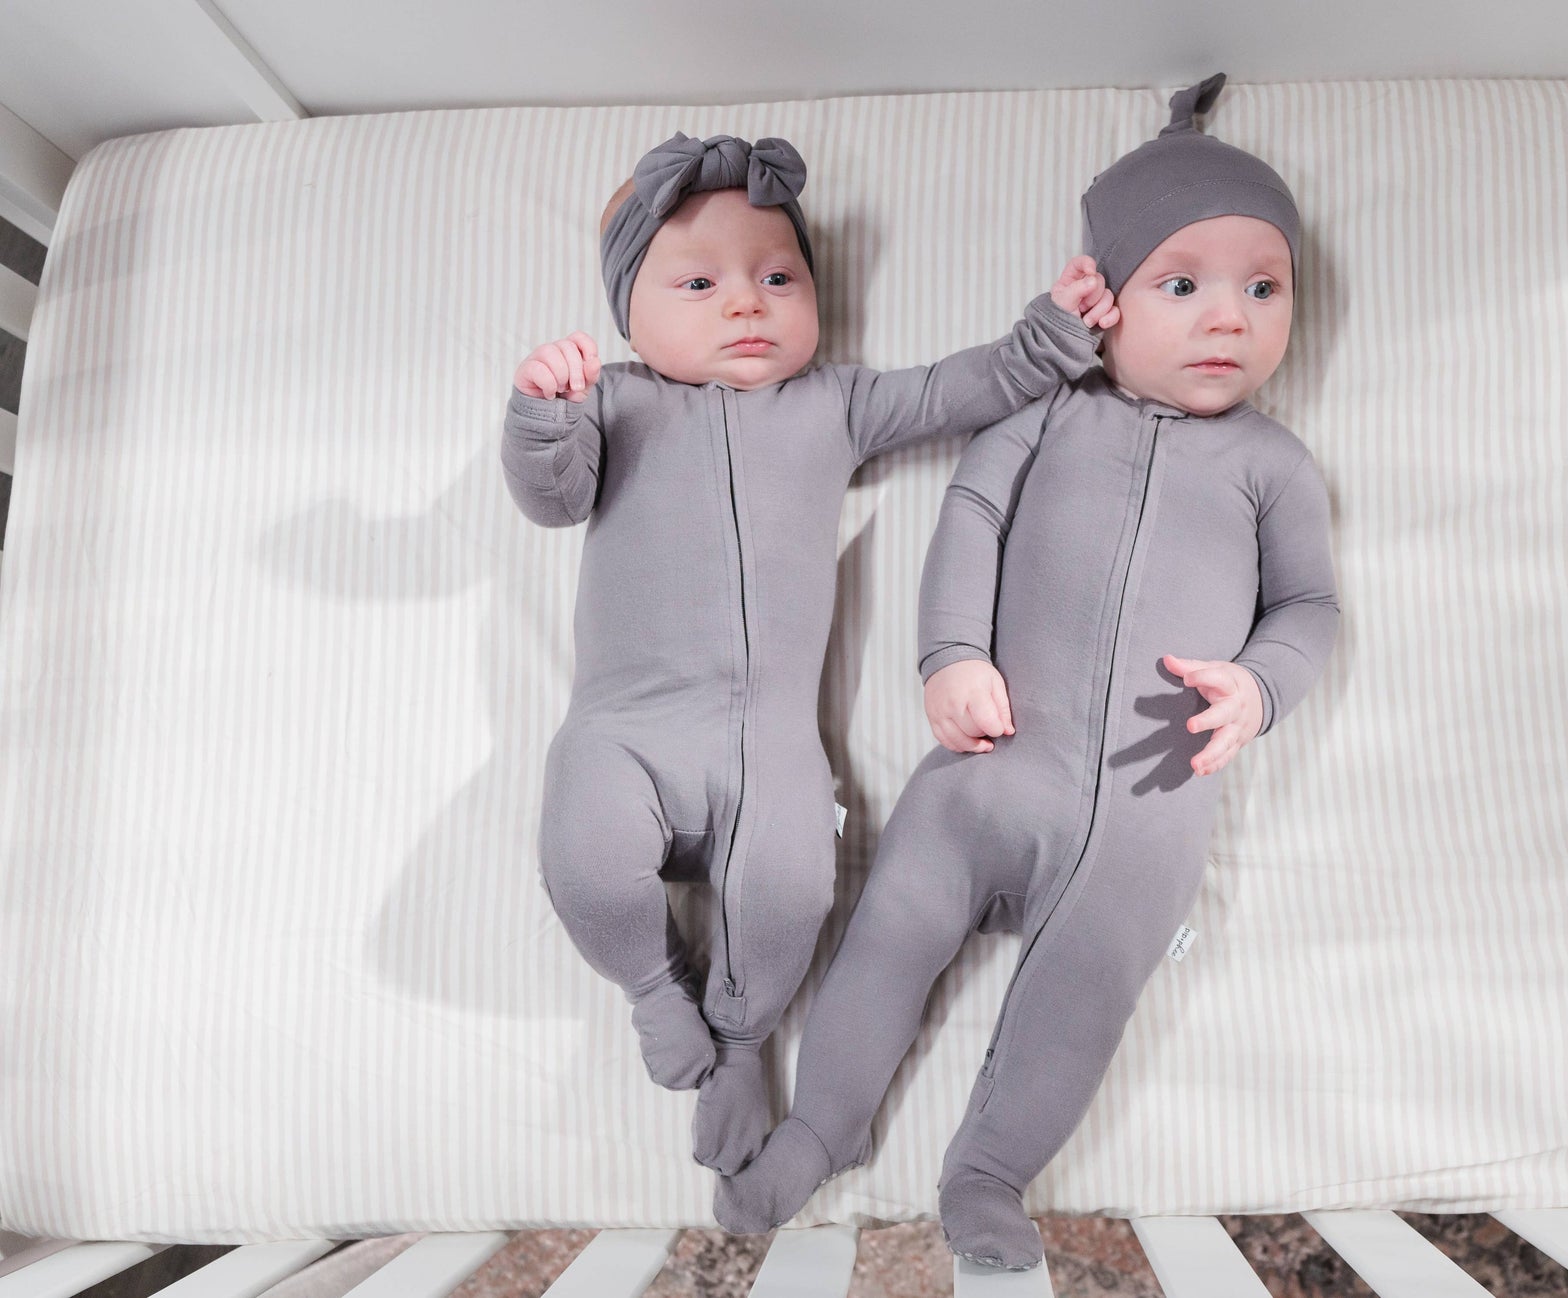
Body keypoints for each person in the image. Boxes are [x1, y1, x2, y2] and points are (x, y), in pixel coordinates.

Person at [714, 75, 1340, 1269]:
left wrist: (1261, 686)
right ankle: (820, 1127)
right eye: (1182, 284)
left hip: (1150, 807)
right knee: (890, 928)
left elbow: (1309, 607)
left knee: (1081, 1001)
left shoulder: (1273, 466)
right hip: (990, 764)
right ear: (1103, 299)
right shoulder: (1045, 412)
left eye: (1263, 288)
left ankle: (988, 1171)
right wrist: (949, 654)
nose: (1228, 317)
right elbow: (970, 518)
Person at [501, 131, 1115, 1175]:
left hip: (769, 742)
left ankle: (741, 1042)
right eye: (699, 283)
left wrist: (1054, 329)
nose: (747, 303)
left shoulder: (835, 403)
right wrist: (540, 413)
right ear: (628, 316)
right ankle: (656, 987)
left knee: (792, 891)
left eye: (778, 278)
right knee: (584, 861)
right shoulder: (615, 401)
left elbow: (960, 389)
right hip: (623, 727)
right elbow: (551, 500)